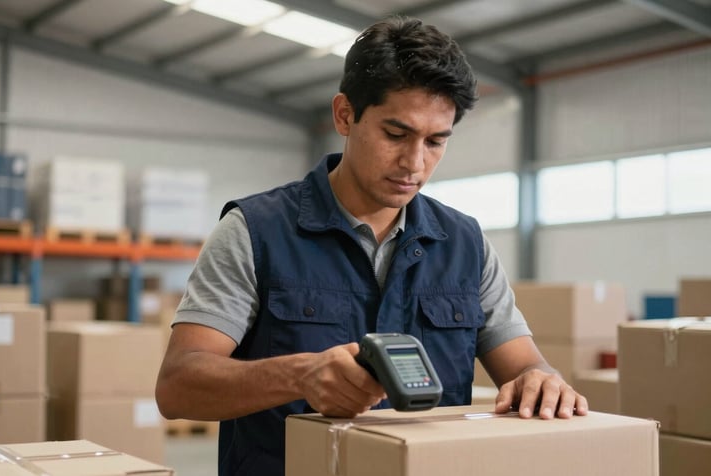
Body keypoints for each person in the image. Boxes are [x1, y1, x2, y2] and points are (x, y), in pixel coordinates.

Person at [155, 15, 588, 476]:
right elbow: (179, 386)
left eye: (436, 141)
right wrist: (298, 374)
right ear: (345, 114)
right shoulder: (255, 231)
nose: (415, 163)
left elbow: (525, 367)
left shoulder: (466, 244)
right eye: (396, 134)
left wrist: (544, 382)